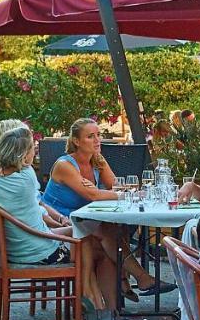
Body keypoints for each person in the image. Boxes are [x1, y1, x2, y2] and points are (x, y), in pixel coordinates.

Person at [0, 124, 112, 313]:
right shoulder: (27, 177)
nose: (35, 153)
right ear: (24, 156)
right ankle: (93, 305)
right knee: (87, 243)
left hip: (12, 251)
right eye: (33, 149)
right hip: (40, 252)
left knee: (85, 234)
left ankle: (94, 303)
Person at [42, 118, 172, 299]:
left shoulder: (97, 160)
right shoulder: (64, 165)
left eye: (98, 135)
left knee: (113, 229)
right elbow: (95, 196)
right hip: (59, 225)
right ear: (76, 142)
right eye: (90, 136)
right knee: (106, 234)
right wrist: (119, 194)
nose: (97, 140)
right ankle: (132, 283)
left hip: (85, 222)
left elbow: (116, 186)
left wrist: (113, 192)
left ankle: (115, 305)